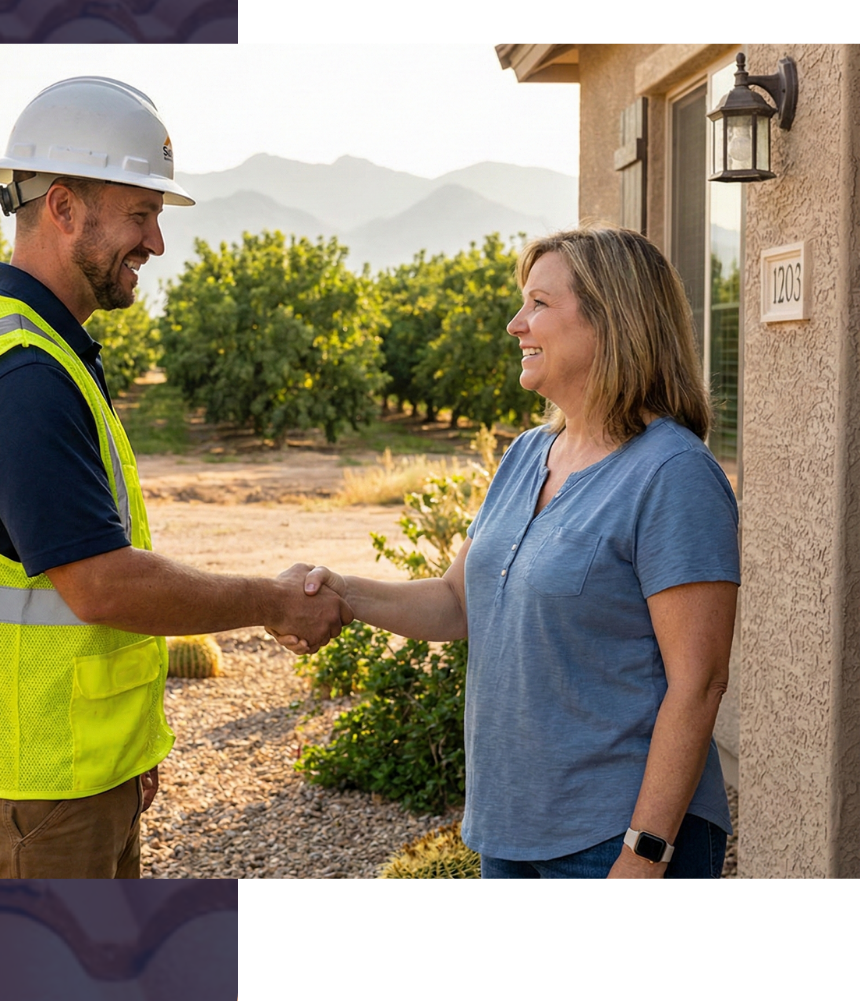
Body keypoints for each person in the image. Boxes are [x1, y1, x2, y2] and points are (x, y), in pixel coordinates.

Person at [0, 77, 351, 879]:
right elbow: (103, 587)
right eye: (142, 214)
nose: (157, 243)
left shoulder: (47, 351)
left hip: (55, 781)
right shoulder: (23, 374)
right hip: (20, 794)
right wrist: (273, 602)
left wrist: (123, 755)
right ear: (64, 207)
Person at [281, 225, 740, 879]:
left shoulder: (673, 475)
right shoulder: (527, 454)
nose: (514, 324)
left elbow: (699, 684)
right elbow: (456, 604)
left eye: (539, 304)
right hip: (512, 831)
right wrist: (340, 593)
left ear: (614, 321)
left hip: (617, 838)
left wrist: (645, 854)